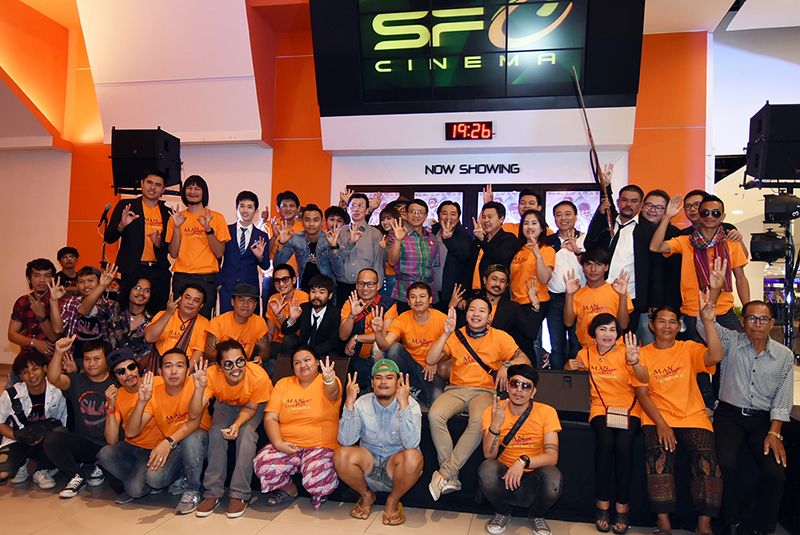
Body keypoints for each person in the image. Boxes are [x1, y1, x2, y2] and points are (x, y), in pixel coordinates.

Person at [699, 263, 793, 535]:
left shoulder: (784, 356)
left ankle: (763, 527)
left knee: (775, 473)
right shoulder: (730, 341)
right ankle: (731, 522)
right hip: (729, 415)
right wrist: (715, 292)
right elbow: (704, 325)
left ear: (772, 323)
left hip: (762, 420)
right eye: (751, 318)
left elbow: (782, 398)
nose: (757, 324)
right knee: (726, 464)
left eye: (763, 319)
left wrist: (774, 433)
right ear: (742, 322)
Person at [633, 299, 724, 535]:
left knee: (707, 462)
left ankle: (704, 524)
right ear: (651, 325)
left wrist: (708, 321)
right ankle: (663, 523)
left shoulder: (688, 348)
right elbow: (642, 394)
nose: (667, 326)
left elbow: (715, 356)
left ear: (680, 326)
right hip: (657, 417)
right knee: (658, 460)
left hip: (693, 416)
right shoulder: (641, 355)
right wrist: (662, 425)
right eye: (662, 321)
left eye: (672, 322)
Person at [425, 298, 530, 500]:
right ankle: (451, 475)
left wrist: (507, 365)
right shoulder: (456, 335)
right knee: (435, 415)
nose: (475, 314)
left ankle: (445, 473)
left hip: (484, 391)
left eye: (481, 311)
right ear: (466, 314)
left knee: (478, 421)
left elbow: (525, 360)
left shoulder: (500, 337)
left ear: (489, 317)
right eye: (472, 309)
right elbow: (430, 359)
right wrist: (445, 333)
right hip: (456, 389)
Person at [564, 315, 648, 534]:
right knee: (606, 441)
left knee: (624, 445)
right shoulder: (585, 353)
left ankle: (622, 504)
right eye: (602, 329)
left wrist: (635, 361)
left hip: (629, 408)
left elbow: (644, 378)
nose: (608, 334)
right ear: (594, 332)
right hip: (600, 409)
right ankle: (602, 502)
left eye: (612, 330)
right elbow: (568, 379)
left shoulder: (627, 351)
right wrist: (568, 366)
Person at [190, 340, 273, 518]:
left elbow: (250, 408)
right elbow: (194, 413)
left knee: (246, 434)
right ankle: (212, 492)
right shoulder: (211, 375)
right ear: (219, 367)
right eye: (228, 364)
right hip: (225, 404)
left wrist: (236, 424)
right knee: (216, 432)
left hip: (253, 405)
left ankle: (239, 494)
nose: (235, 368)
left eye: (240, 361)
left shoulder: (258, 376)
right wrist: (198, 390)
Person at [335, 359, 423, 526]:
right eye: (378, 377)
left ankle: (393, 501)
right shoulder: (361, 402)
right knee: (341, 454)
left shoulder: (411, 405)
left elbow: (411, 444)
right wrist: (349, 403)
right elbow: (346, 440)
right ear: (372, 382)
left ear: (398, 382)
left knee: (413, 456)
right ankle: (366, 495)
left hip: (395, 469)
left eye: (389, 377)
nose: (383, 382)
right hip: (368, 466)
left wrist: (403, 405)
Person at [650, 194, 750, 340]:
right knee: (698, 354)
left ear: (723, 216)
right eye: (705, 212)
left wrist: (748, 310)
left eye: (716, 213)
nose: (710, 216)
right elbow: (655, 247)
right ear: (699, 215)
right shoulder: (685, 241)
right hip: (693, 311)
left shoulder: (731, 243)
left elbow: (740, 278)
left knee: (737, 351)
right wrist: (667, 217)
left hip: (723, 311)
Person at [253, 347, 342, 510]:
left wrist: (329, 380)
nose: (303, 365)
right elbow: (270, 418)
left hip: (320, 446)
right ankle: (289, 490)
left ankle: (318, 492)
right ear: (293, 368)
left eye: (307, 360)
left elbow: (333, 393)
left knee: (317, 482)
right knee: (262, 463)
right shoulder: (283, 384)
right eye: (297, 362)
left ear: (317, 362)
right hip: (289, 445)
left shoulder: (328, 380)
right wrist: (278, 443)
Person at [124, 349, 211, 515]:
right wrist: (141, 402)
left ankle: (192, 490)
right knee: (154, 479)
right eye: (168, 366)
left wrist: (168, 441)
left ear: (187, 370)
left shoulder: (198, 382)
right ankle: (181, 475)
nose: (173, 371)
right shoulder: (155, 393)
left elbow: (194, 421)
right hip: (175, 445)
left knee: (192, 438)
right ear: (160, 371)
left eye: (179, 366)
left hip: (200, 441)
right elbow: (131, 432)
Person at [479, 364, 562, 535]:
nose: (519, 390)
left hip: (533, 474)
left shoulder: (547, 412)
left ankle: (536, 516)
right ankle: (502, 513)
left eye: (526, 386)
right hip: (504, 475)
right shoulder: (493, 410)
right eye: (514, 384)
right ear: (507, 386)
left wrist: (523, 461)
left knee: (554, 479)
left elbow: (552, 457)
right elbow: (489, 454)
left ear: (533, 392)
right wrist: (495, 424)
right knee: (486, 469)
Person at [585, 184, 658, 345]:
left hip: (631, 298)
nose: (628, 204)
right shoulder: (606, 222)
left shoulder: (648, 229)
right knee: (598, 340)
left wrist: (653, 301)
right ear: (618, 202)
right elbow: (589, 245)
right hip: (602, 294)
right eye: (624, 200)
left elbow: (655, 268)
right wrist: (599, 216)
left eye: (634, 201)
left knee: (625, 342)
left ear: (641, 205)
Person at [44, 336, 114, 498]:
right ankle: (77, 475)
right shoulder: (76, 380)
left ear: (107, 360)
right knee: (53, 438)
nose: (91, 363)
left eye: (97, 359)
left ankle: (100, 466)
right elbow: (53, 378)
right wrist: (58, 352)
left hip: (109, 446)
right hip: (84, 443)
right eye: (87, 359)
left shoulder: (116, 383)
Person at [97, 348, 169, 504]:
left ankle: (139, 481)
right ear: (116, 377)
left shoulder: (158, 382)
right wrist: (111, 406)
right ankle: (138, 480)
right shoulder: (117, 396)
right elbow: (111, 440)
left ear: (138, 367)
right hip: (133, 448)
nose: (128, 374)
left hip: (159, 446)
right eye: (121, 371)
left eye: (131, 367)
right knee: (105, 453)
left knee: (135, 489)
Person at [104, 171, 172, 313]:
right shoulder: (126, 206)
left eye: (158, 185)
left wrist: (159, 244)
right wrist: (121, 225)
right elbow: (109, 238)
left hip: (158, 271)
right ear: (142, 183)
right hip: (132, 269)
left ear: (163, 189)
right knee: (127, 312)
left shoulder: (167, 212)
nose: (152, 187)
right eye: (149, 182)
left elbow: (170, 248)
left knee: (157, 313)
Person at [166, 175, 231, 318]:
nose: (193, 191)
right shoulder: (176, 218)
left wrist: (208, 229)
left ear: (204, 192)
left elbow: (219, 253)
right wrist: (176, 227)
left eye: (197, 188)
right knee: (178, 319)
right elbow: (173, 253)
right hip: (182, 276)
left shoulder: (216, 218)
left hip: (206, 278)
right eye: (189, 188)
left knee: (204, 320)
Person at [373, 282, 446, 406]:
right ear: (408, 301)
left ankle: (415, 393)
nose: (418, 300)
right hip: (410, 366)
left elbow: (451, 348)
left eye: (422, 296)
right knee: (394, 348)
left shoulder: (441, 319)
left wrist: (435, 361)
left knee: (436, 402)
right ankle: (407, 387)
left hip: (432, 370)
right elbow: (385, 345)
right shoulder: (403, 319)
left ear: (430, 299)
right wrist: (378, 332)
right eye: (413, 297)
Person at [0, 351, 66, 487]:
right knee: (2, 474)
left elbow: (63, 421)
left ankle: (42, 470)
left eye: (35, 369)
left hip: (46, 440)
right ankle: (21, 463)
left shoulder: (57, 392)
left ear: (45, 368)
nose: (31, 375)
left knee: (59, 437)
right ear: (20, 376)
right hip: (18, 439)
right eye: (25, 372)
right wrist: (18, 436)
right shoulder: (10, 394)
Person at [339, 268, 398, 389]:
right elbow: (343, 336)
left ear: (378, 286)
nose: (365, 288)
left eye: (370, 284)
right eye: (361, 284)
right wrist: (352, 315)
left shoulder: (388, 304)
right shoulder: (350, 303)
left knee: (378, 346)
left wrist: (357, 338)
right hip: (356, 355)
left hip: (379, 355)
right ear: (356, 285)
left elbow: (385, 337)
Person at [564, 248, 633, 350]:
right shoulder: (577, 294)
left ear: (606, 267)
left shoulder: (617, 291)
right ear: (583, 268)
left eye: (598, 264)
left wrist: (622, 296)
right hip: (588, 350)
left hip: (615, 350)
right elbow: (568, 322)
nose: (593, 269)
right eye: (588, 264)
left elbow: (623, 325)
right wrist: (569, 295)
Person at [544, 201, 585, 369]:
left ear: (576, 216)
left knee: (577, 344)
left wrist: (577, 250)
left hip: (580, 298)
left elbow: (593, 265)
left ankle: (577, 381)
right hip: (555, 299)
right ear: (554, 218)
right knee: (556, 345)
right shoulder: (547, 242)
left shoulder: (586, 238)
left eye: (568, 214)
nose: (563, 218)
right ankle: (557, 381)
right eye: (558, 215)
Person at [510, 210, 555, 359]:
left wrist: (538, 256)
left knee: (532, 344)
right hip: (517, 303)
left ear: (541, 228)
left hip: (536, 302)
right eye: (526, 223)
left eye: (534, 223)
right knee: (519, 346)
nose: (529, 227)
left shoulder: (547, 250)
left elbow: (544, 278)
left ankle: (536, 371)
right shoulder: (518, 250)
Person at [218, 190, 270, 314]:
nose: (245, 210)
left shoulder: (261, 235)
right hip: (228, 288)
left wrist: (260, 257)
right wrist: (219, 283)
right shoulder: (226, 230)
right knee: (226, 322)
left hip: (250, 289)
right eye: (242, 206)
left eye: (250, 207)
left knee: (251, 323)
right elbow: (216, 258)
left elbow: (266, 266)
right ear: (236, 208)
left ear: (256, 211)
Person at [273, 203, 344, 293]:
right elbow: (277, 265)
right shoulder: (296, 239)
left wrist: (334, 247)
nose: (311, 224)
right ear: (302, 222)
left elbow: (339, 272)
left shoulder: (330, 239)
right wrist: (282, 243)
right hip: (304, 290)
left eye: (315, 220)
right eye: (307, 220)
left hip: (327, 292)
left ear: (322, 222)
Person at [387, 198, 440, 311]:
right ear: (406, 214)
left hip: (427, 292)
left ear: (426, 216)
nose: (416, 215)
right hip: (404, 291)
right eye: (412, 211)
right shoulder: (396, 233)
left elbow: (433, 267)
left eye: (420, 212)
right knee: (405, 321)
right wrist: (398, 240)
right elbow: (391, 261)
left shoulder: (432, 238)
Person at [640, 190, 682, 335]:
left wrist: (657, 302)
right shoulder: (632, 229)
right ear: (642, 206)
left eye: (659, 207)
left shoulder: (674, 233)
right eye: (649, 205)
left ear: (666, 210)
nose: (653, 210)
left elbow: (671, 273)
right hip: (632, 299)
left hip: (661, 303)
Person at [335, 193, 385, 306]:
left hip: (366, 288)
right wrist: (350, 243)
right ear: (347, 209)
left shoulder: (375, 234)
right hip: (342, 286)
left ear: (367, 210)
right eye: (353, 205)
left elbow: (378, 264)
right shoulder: (339, 232)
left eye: (360, 206)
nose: (356, 209)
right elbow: (336, 259)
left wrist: (377, 287)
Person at [143, 284, 210, 369]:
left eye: (196, 300)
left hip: (184, 369)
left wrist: (186, 371)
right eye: (187, 298)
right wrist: (168, 313)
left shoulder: (204, 323)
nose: (190, 303)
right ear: (180, 299)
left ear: (201, 306)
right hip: (157, 366)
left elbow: (198, 352)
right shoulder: (163, 314)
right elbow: (149, 338)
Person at [8, 258, 60, 359]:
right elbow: (12, 334)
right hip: (27, 353)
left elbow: (55, 337)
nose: (42, 280)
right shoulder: (23, 301)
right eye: (37, 275)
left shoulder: (59, 301)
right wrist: (35, 343)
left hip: (52, 356)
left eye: (47, 276)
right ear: (29, 279)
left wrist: (41, 316)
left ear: (53, 279)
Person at [206, 283, 269, 363]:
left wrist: (260, 358)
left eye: (250, 301)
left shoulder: (259, 322)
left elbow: (265, 351)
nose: (246, 305)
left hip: (245, 365)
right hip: (222, 365)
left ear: (255, 305)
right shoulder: (217, 322)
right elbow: (209, 354)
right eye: (241, 300)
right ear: (233, 302)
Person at [282, 275, 343, 358]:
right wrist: (292, 319)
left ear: (330, 295)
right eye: (313, 291)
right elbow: (285, 331)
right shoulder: (304, 308)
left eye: (321, 292)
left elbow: (332, 342)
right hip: (302, 349)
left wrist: (310, 353)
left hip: (323, 353)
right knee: (288, 340)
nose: (316, 296)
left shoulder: (336, 313)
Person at [469, 201, 519, 291]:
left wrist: (482, 240)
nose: (486, 220)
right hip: (476, 292)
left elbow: (498, 256)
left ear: (501, 219)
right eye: (484, 217)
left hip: (497, 291)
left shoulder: (509, 238)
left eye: (490, 217)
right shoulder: (479, 240)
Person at [432, 200, 472, 311]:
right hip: (431, 292)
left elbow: (465, 258)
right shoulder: (432, 232)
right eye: (444, 213)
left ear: (458, 218)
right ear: (438, 216)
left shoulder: (464, 236)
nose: (448, 217)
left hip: (451, 295)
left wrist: (463, 296)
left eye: (453, 214)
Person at [265, 264, 309, 359]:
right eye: (277, 281)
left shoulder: (303, 298)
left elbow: (298, 332)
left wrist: (280, 316)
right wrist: (264, 346)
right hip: (278, 343)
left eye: (285, 279)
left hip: (297, 343)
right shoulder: (273, 299)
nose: (281, 284)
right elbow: (270, 332)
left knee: (289, 340)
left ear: (294, 280)